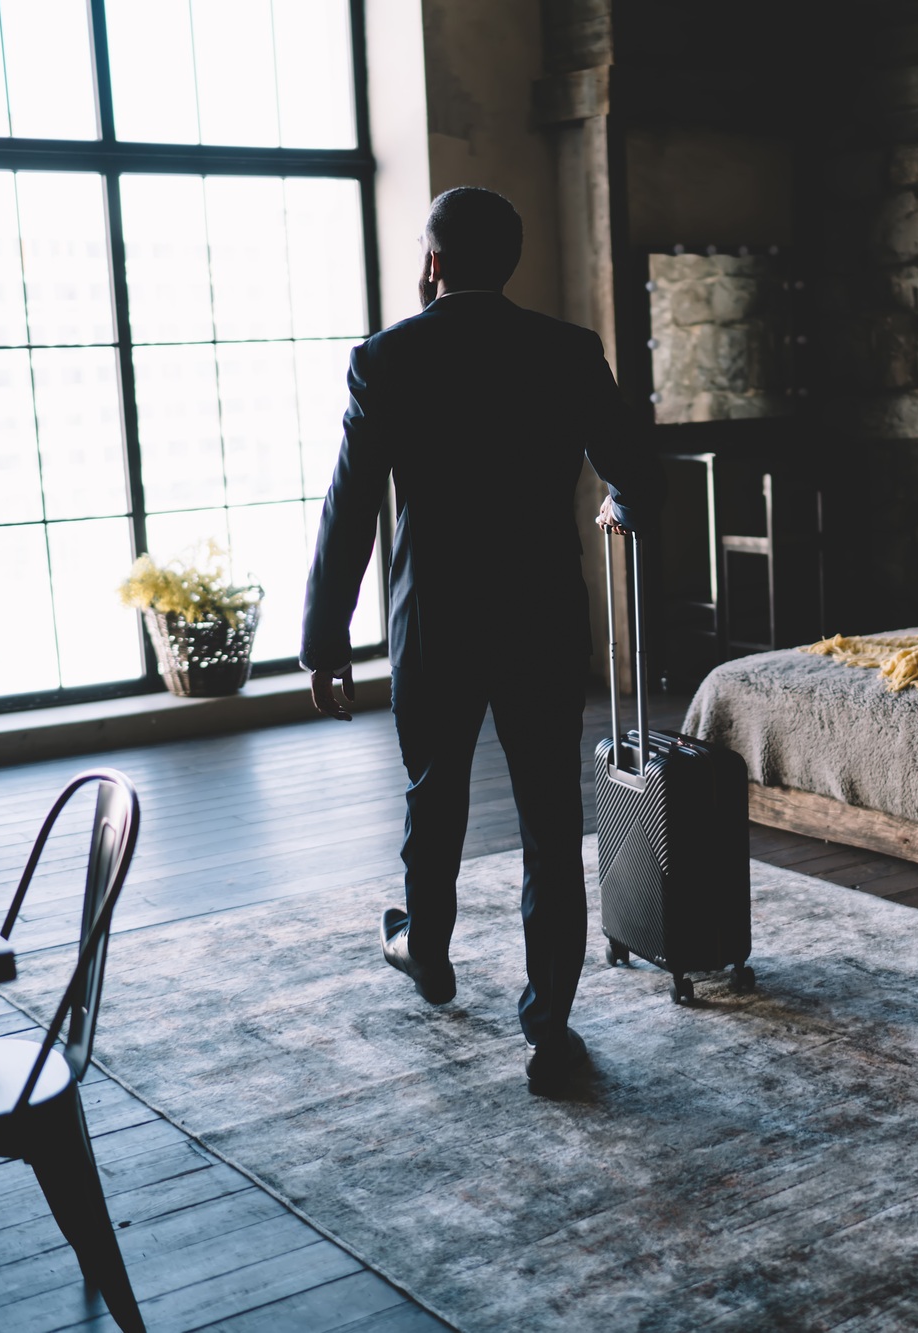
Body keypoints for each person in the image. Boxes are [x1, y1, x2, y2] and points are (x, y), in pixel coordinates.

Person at [301, 186, 664, 1097]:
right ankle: (549, 1031)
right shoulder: (568, 352)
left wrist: (324, 638)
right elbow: (637, 475)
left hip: (435, 622)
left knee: (435, 792)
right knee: (550, 824)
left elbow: (350, 509)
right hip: (541, 617)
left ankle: (427, 950)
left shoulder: (388, 358)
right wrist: (618, 501)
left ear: (432, 263)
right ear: (510, 263)